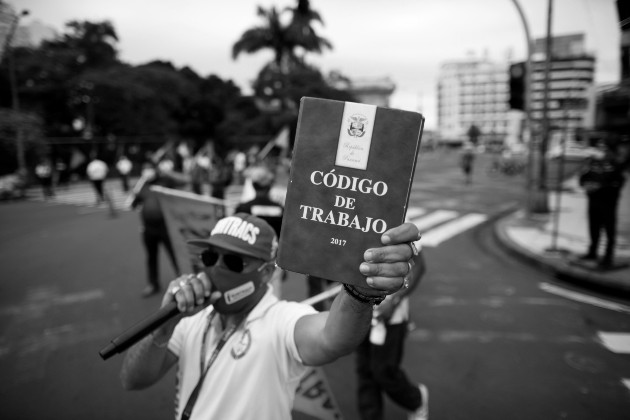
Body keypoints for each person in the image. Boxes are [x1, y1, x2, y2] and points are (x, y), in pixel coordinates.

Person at [120, 213, 420, 420]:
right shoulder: (189, 317)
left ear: (267, 272)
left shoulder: (281, 319)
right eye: (210, 257)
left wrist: (358, 291)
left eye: (235, 261)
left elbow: (332, 339)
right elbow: (132, 380)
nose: (216, 269)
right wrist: (164, 324)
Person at [355, 245, 428, 420]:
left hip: (389, 316)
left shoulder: (401, 219)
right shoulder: (354, 217)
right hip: (360, 310)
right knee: (365, 372)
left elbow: (419, 265)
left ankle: (416, 400)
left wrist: (394, 300)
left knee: (384, 372)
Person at [131, 160, 188, 297]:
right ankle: (153, 283)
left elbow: (185, 181)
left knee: (173, 253)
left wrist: (168, 173)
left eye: (149, 168)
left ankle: (183, 281)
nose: (147, 171)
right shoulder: (142, 186)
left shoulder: (165, 182)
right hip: (148, 228)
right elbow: (133, 205)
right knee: (151, 256)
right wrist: (135, 193)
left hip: (165, 226)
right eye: (144, 169)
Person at [235, 165, 286, 296]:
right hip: (273, 260)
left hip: (248, 260)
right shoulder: (280, 210)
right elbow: (285, 238)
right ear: (269, 186)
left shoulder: (243, 208)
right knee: (273, 300)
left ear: (253, 185)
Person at [578, 141, 626, 269]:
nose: (601, 151)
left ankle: (608, 257)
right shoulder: (591, 164)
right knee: (593, 228)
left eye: (604, 148)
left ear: (610, 152)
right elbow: (582, 179)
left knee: (609, 231)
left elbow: (617, 184)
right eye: (599, 148)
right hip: (593, 202)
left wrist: (599, 187)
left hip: (608, 203)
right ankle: (592, 252)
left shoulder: (616, 166)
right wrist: (585, 183)